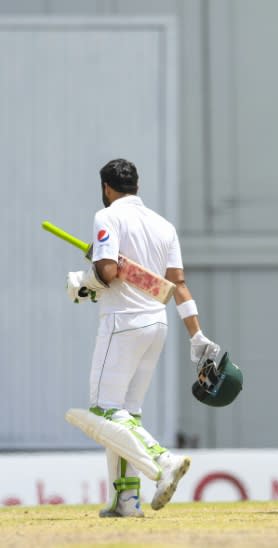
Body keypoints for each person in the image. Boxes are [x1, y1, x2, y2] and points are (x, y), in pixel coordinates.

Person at [65, 159, 218, 517]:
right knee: (125, 414)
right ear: (137, 185)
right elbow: (177, 283)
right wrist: (196, 334)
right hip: (156, 325)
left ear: (106, 188)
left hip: (122, 323)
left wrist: (82, 282)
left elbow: (108, 271)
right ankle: (125, 500)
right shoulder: (163, 225)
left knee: (105, 411)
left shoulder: (108, 217)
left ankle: (162, 460)